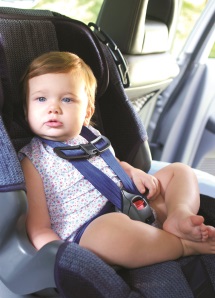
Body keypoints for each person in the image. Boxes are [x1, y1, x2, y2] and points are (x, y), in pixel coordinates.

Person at [19, 51, 215, 269]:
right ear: (27, 110)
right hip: (93, 229)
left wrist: (132, 171)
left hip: (135, 204)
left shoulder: (91, 136)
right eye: (41, 99)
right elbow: (38, 227)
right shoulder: (32, 160)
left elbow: (110, 163)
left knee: (179, 171)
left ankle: (179, 215)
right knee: (109, 233)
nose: (53, 107)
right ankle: (181, 246)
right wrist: (64, 259)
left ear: (87, 112)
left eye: (67, 99)